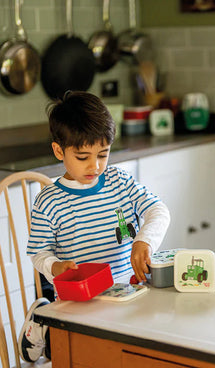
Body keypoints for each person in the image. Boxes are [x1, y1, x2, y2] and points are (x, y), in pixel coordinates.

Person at [18, 91, 170, 363]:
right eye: (82, 156)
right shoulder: (48, 201)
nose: (95, 166)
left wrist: (144, 240)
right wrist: (55, 267)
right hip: (78, 302)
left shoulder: (120, 181)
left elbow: (158, 210)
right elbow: (38, 252)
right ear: (58, 151)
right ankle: (40, 322)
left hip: (127, 294)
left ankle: (46, 317)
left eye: (103, 154)